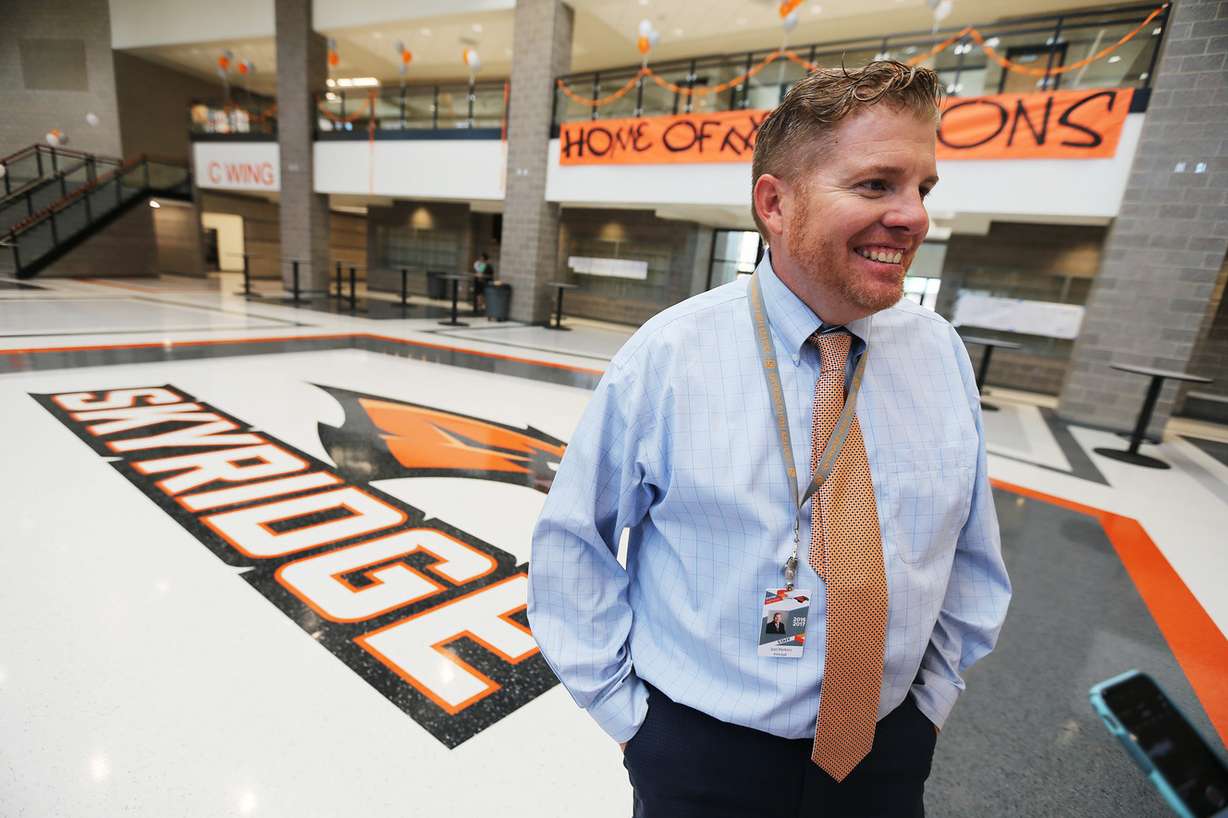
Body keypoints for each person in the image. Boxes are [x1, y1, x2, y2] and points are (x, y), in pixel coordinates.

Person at [528, 61, 1010, 818]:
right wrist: (632, 726)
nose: (914, 216)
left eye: (924, 188)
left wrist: (931, 704)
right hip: (702, 756)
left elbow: (973, 552)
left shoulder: (940, 354)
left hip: (885, 752)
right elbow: (570, 549)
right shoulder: (669, 358)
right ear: (775, 203)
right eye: (877, 185)